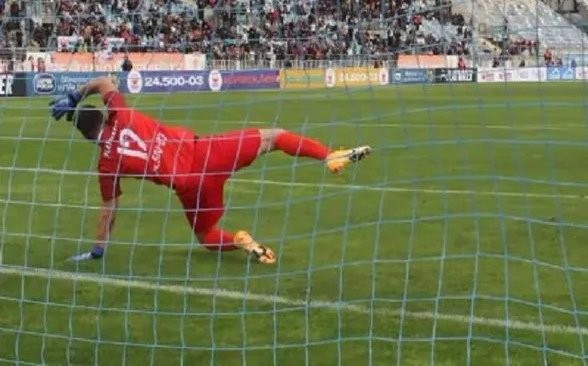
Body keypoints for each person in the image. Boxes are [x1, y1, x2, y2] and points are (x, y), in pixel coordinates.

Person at [49, 76, 371, 265]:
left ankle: (242, 241)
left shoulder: (106, 164)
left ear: (86, 136)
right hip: (206, 152)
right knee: (273, 137)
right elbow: (104, 80)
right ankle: (329, 156)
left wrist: (98, 249)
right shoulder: (121, 112)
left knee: (206, 236)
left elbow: (109, 210)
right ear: (104, 117)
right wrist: (76, 96)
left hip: (190, 188)